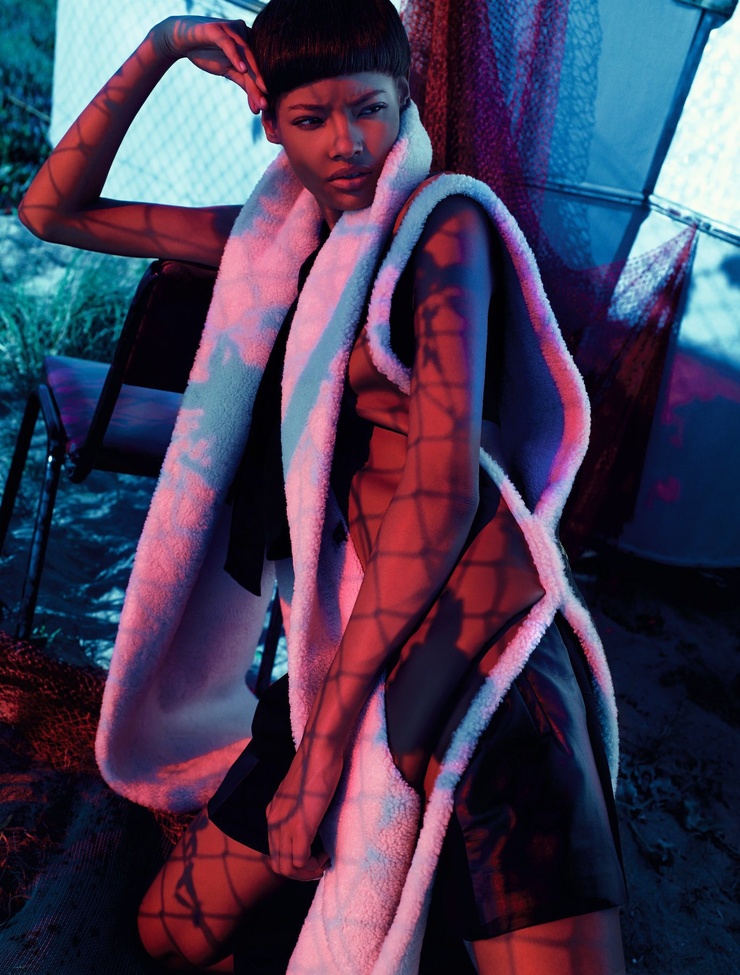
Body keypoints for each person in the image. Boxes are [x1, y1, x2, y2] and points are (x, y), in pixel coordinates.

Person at [19, 1, 627, 972]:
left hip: (468, 643)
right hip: (342, 633)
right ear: (269, 124)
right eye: (311, 119)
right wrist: (162, 46)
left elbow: (440, 502)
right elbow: (52, 212)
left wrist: (321, 755)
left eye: (369, 110)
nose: (347, 144)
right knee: (170, 928)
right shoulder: (278, 242)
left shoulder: (444, 229)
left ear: (403, 101)